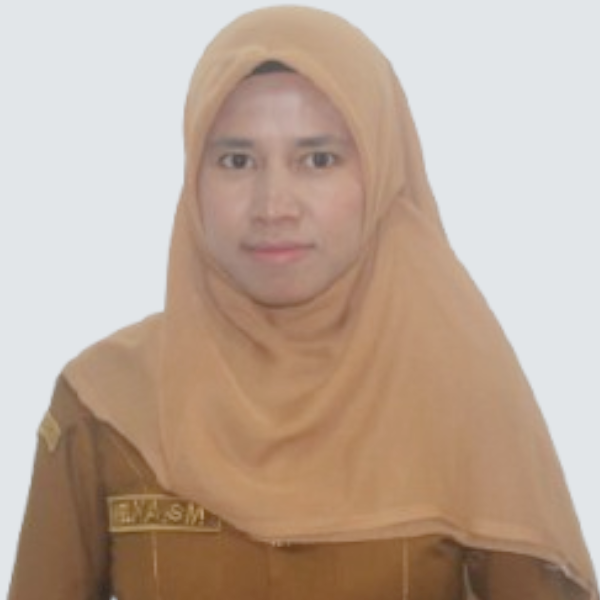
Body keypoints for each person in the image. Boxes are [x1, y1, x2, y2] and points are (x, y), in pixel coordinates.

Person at [8, 6, 598, 599]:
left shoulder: (461, 397)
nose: (274, 206)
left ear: (382, 176)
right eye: (237, 161)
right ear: (194, 180)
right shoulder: (107, 404)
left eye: (318, 159)